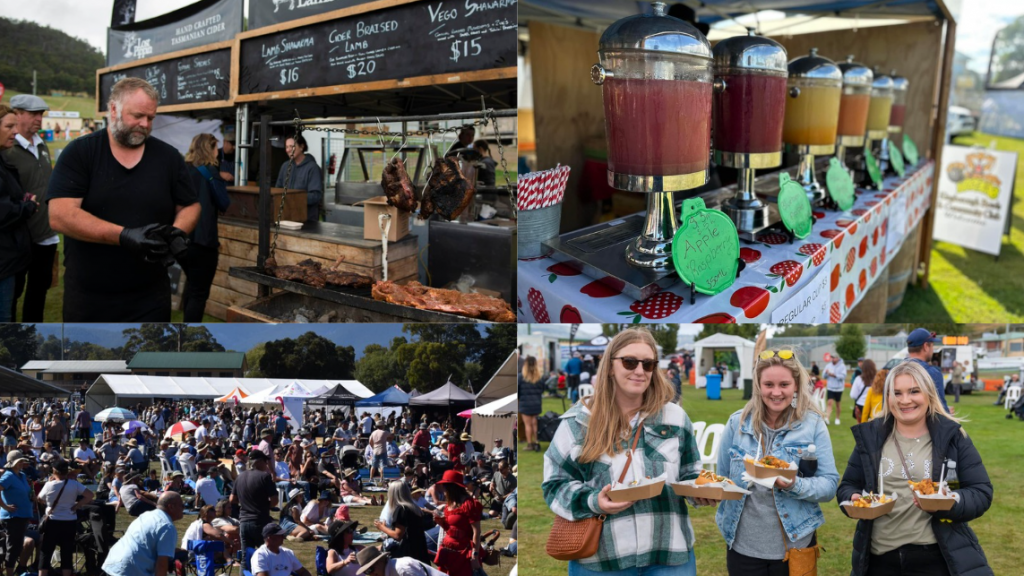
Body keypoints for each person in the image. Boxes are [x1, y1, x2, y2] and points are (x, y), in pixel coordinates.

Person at [543, 328, 703, 576]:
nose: (639, 371)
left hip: (669, 556)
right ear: (609, 366)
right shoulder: (579, 421)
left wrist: (701, 491)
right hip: (603, 558)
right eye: (629, 362)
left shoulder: (675, 417)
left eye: (648, 364)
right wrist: (594, 501)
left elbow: (690, 473)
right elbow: (554, 484)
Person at [47, 77, 200, 321]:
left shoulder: (168, 157)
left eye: (150, 118)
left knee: (149, 359)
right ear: (114, 109)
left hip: (151, 296)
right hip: (90, 297)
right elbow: (60, 216)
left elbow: (190, 204)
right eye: (137, 115)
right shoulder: (81, 152)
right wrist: (124, 236)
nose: (145, 124)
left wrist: (176, 232)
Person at [838, 361, 994, 575]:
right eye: (897, 393)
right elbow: (848, 485)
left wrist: (948, 503)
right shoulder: (871, 437)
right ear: (888, 397)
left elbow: (981, 492)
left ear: (929, 394)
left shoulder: (953, 437)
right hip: (879, 559)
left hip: (936, 556)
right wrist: (855, 498)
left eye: (914, 391)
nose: (905, 400)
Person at [711, 349, 838, 575]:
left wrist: (793, 485)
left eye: (784, 385)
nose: (776, 392)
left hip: (794, 547)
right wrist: (705, 493)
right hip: (743, 547)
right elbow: (722, 481)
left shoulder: (813, 424)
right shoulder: (737, 424)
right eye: (768, 384)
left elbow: (829, 486)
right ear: (758, 386)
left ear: (796, 385)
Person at [4, 95, 57, 322]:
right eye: (33, 114)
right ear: (17, 114)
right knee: (11, 295)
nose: (39, 119)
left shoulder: (42, 144)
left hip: (45, 235)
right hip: (19, 237)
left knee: (38, 292)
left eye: (41, 114)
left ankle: (32, 341)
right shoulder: (7, 149)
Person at [182, 133, 231, 322]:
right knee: (199, 294)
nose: (218, 152)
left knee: (192, 288)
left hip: (183, 239)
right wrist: (219, 179)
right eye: (215, 148)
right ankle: (189, 337)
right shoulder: (210, 171)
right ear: (209, 149)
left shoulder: (184, 170)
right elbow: (224, 203)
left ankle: (183, 334)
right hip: (204, 242)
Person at [0, 104, 36, 322]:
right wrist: (28, 206)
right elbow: (3, 212)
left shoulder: (3, 160)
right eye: (9, 126)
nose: (15, 131)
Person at [102, 492, 184, 576]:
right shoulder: (167, 526)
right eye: (182, 505)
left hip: (113, 563)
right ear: (171, 506)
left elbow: (144, 544)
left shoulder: (146, 515)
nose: (183, 509)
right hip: (130, 570)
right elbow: (162, 565)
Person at [37, 460, 94, 576]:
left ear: (54, 471)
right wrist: (77, 505)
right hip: (69, 520)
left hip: (52, 521)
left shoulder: (49, 485)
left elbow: (39, 498)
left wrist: (48, 503)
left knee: (46, 551)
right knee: (67, 551)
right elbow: (90, 495)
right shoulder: (74, 484)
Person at [231, 448, 279, 570]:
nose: (267, 465)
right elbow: (274, 501)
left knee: (245, 557)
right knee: (268, 555)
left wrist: (245, 503)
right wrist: (262, 504)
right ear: (259, 462)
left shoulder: (240, 477)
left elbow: (232, 499)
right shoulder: (265, 477)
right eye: (265, 462)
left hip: (244, 521)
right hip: (260, 520)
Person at [431, 471, 482, 576]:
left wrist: (475, 555)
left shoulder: (469, 504)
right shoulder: (449, 504)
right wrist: (441, 523)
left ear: (452, 487)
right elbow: (451, 529)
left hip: (463, 552)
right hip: (448, 549)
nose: (443, 489)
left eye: (445, 486)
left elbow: (476, 531)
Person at [374, 481, 431, 564]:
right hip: (419, 550)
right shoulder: (414, 507)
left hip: (408, 553)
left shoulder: (402, 509)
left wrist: (381, 527)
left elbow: (398, 535)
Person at [0, 452, 35, 576]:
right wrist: (4, 506)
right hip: (13, 516)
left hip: (22, 515)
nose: (22, 463)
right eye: (19, 461)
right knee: (13, 547)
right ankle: (9, 573)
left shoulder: (22, 475)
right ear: (13, 463)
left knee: (17, 546)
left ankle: (15, 570)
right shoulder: (8, 476)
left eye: (22, 461)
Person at [275, 133, 323, 223]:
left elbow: (316, 196)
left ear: (301, 147)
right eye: (286, 147)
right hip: (287, 217)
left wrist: (294, 199)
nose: (288, 150)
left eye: (292, 146)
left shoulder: (313, 168)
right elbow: (278, 190)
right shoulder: (285, 166)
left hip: (307, 220)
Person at [904, 328, 950, 412]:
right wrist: (947, 414)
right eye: (932, 345)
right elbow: (940, 411)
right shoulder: (932, 373)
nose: (932, 350)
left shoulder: (893, 372)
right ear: (926, 346)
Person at [355, 546, 448, 576]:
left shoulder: (402, 569)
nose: (370, 574)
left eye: (370, 570)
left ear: (379, 561)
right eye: (366, 572)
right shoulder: (389, 570)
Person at [518, 355, 545, 454]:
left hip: (525, 403)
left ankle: (530, 444)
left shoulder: (521, 377)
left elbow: (518, 390)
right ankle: (537, 442)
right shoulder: (540, 377)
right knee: (535, 424)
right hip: (537, 403)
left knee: (527, 425)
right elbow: (542, 389)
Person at [822, 355, 847, 425]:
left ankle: (837, 418)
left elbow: (843, 376)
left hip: (839, 388)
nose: (832, 359)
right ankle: (827, 418)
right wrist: (826, 373)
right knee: (829, 403)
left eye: (834, 358)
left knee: (838, 404)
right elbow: (823, 376)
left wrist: (834, 375)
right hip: (830, 387)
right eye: (832, 358)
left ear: (837, 358)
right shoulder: (828, 366)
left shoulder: (842, 366)